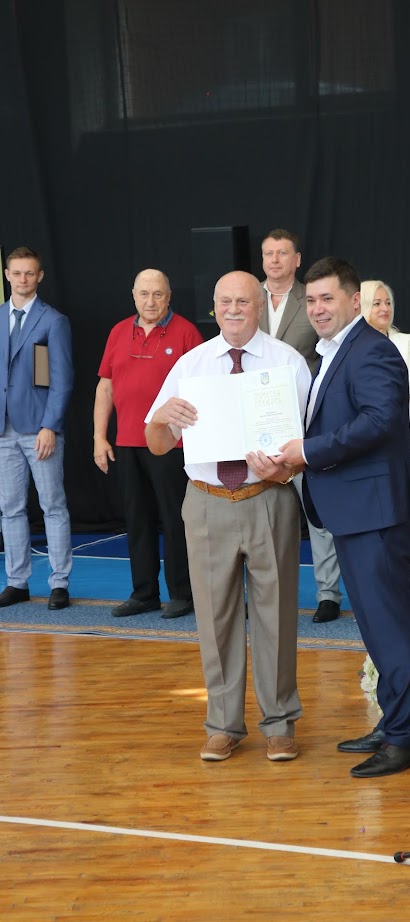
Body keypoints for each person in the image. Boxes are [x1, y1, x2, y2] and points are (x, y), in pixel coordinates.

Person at [144, 271, 311, 763]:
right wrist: (162, 418)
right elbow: (157, 443)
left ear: (260, 305)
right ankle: (222, 724)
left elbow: (311, 441)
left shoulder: (287, 362)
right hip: (206, 500)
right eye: (225, 301)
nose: (233, 309)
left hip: (269, 495)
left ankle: (279, 724)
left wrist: (286, 468)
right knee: (214, 616)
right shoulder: (191, 365)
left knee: (276, 613)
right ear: (213, 307)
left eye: (243, 301)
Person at [273, 257, 410, 779]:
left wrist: (307, 452)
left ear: (354, 301)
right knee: (377, 626)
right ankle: (394, 722)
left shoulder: (371, 350)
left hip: (376, 513)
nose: (318, 309)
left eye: (328, 298)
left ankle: (406, 739)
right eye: (311, 300)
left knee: (390, 625)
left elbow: (379, 421)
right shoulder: (335, 351)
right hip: (358, 511)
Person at [94, 269, 203, 618]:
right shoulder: (118, 332)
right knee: (136, 520)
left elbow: (202, 389)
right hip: (127, 442)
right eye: (144, 294)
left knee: (175, 520)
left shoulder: (187, 333)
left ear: (168, 297)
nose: (150, 301)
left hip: (172, 444)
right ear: (134, 295)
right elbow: (105, 387)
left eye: (158, 294)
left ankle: (183, 594)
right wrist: (99, 437)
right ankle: (144, 593)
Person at [260, 228, 342, 624]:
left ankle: (328, 593)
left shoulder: (311, 299)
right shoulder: (248, 298)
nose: (275, 260)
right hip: (258, 422)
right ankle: (268, 593)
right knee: (263, 513)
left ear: (296, 259)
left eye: (282, 253)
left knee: (316, 509)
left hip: (305, 420)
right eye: (268, 253)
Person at [0, 246, 73, 610]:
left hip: (39, 430)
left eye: (29, 273)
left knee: (53, 507)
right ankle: (17, 582)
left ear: (39, 276)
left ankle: (59, 583)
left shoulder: (52, 321)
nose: (23, 279)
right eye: (16, 273)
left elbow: (61, 379)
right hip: (4, 432)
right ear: (7, 275)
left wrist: (50, 426)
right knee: (10, 509)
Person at [360, 279, 410, 614]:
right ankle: (379, 603)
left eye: (387, 302)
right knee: (372, 530)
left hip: (409, 448)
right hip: (366, 451)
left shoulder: (406, 341)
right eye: (376, 303)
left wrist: (382, 382)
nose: (384, 309)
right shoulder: (352, 345)